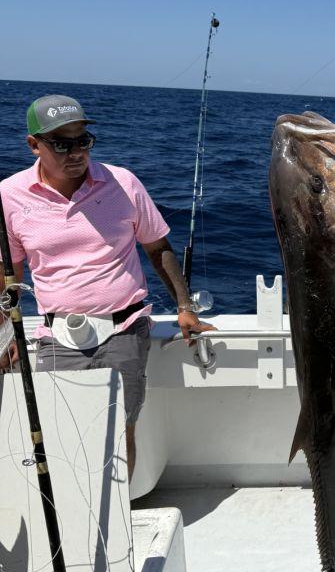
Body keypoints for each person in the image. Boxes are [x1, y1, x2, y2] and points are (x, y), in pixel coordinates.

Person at [0, 94, 214, 478]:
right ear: (34, 145)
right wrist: (3, 333)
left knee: (120, 432)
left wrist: (185, 308)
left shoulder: (123, 183)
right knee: (62, 433)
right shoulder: (10, 195)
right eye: (61, 143)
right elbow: (9, 275)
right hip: (56, 336)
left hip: (125, 329)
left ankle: (119, 524)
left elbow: (159, 248)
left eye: (83, 140)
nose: (76, 152)